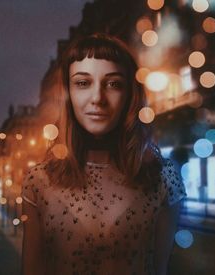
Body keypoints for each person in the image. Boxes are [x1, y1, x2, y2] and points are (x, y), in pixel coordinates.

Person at [21, 33, 187, 275]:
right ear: (67, 94)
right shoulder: (39, 182)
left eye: (113, 84)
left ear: (130, 94)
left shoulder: (162, 178)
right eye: (82, 83)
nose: (97, 98)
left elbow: (159, 270)